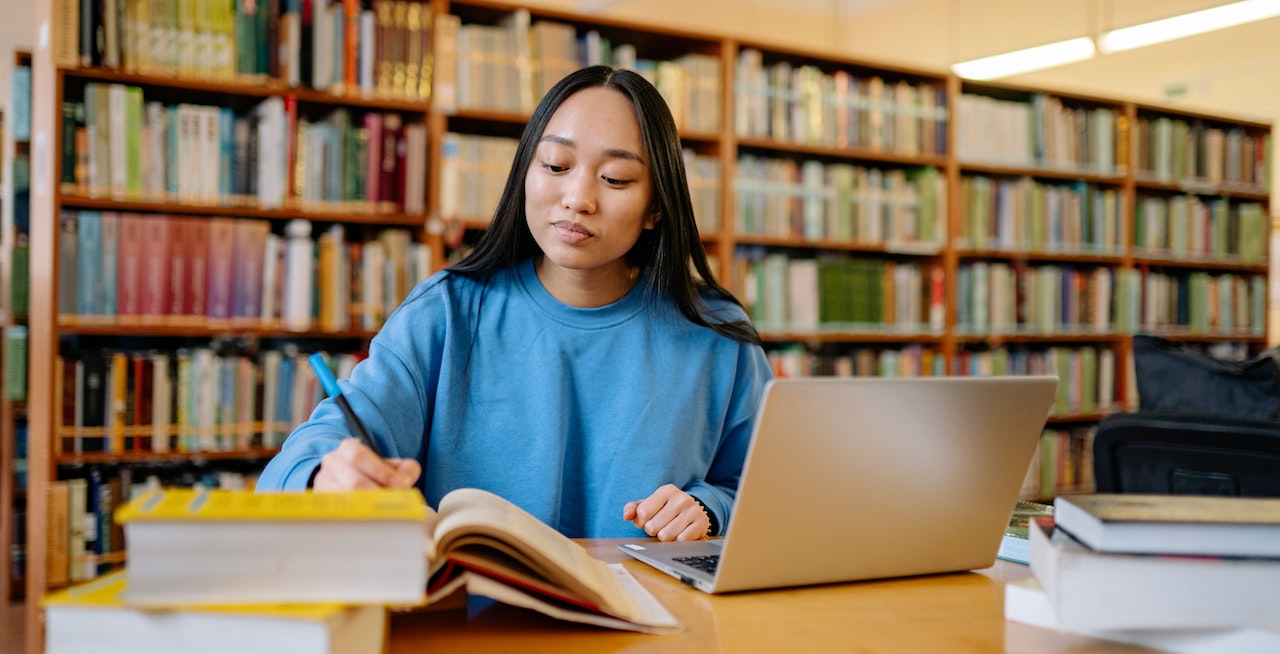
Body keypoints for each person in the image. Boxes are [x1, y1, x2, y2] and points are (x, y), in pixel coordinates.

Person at [257, 65, 772, 542]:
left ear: (656, 206)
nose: (577, 197)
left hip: (656, 628)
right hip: (472, 624)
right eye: (555, 165)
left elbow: (771, 491)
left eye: (614, 178)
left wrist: (708, 509)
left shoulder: (716, 333)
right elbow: (308, 453)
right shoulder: (447, 313)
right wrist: (326, 474)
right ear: (525, 171)